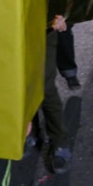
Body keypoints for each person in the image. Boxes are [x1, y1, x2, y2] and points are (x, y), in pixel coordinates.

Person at [25, 15, 73, 174]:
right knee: (22, 83)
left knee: (45, 86)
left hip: (44, 24)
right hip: (9, 26)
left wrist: (62, 14)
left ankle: (59, 139)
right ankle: (30, 129)